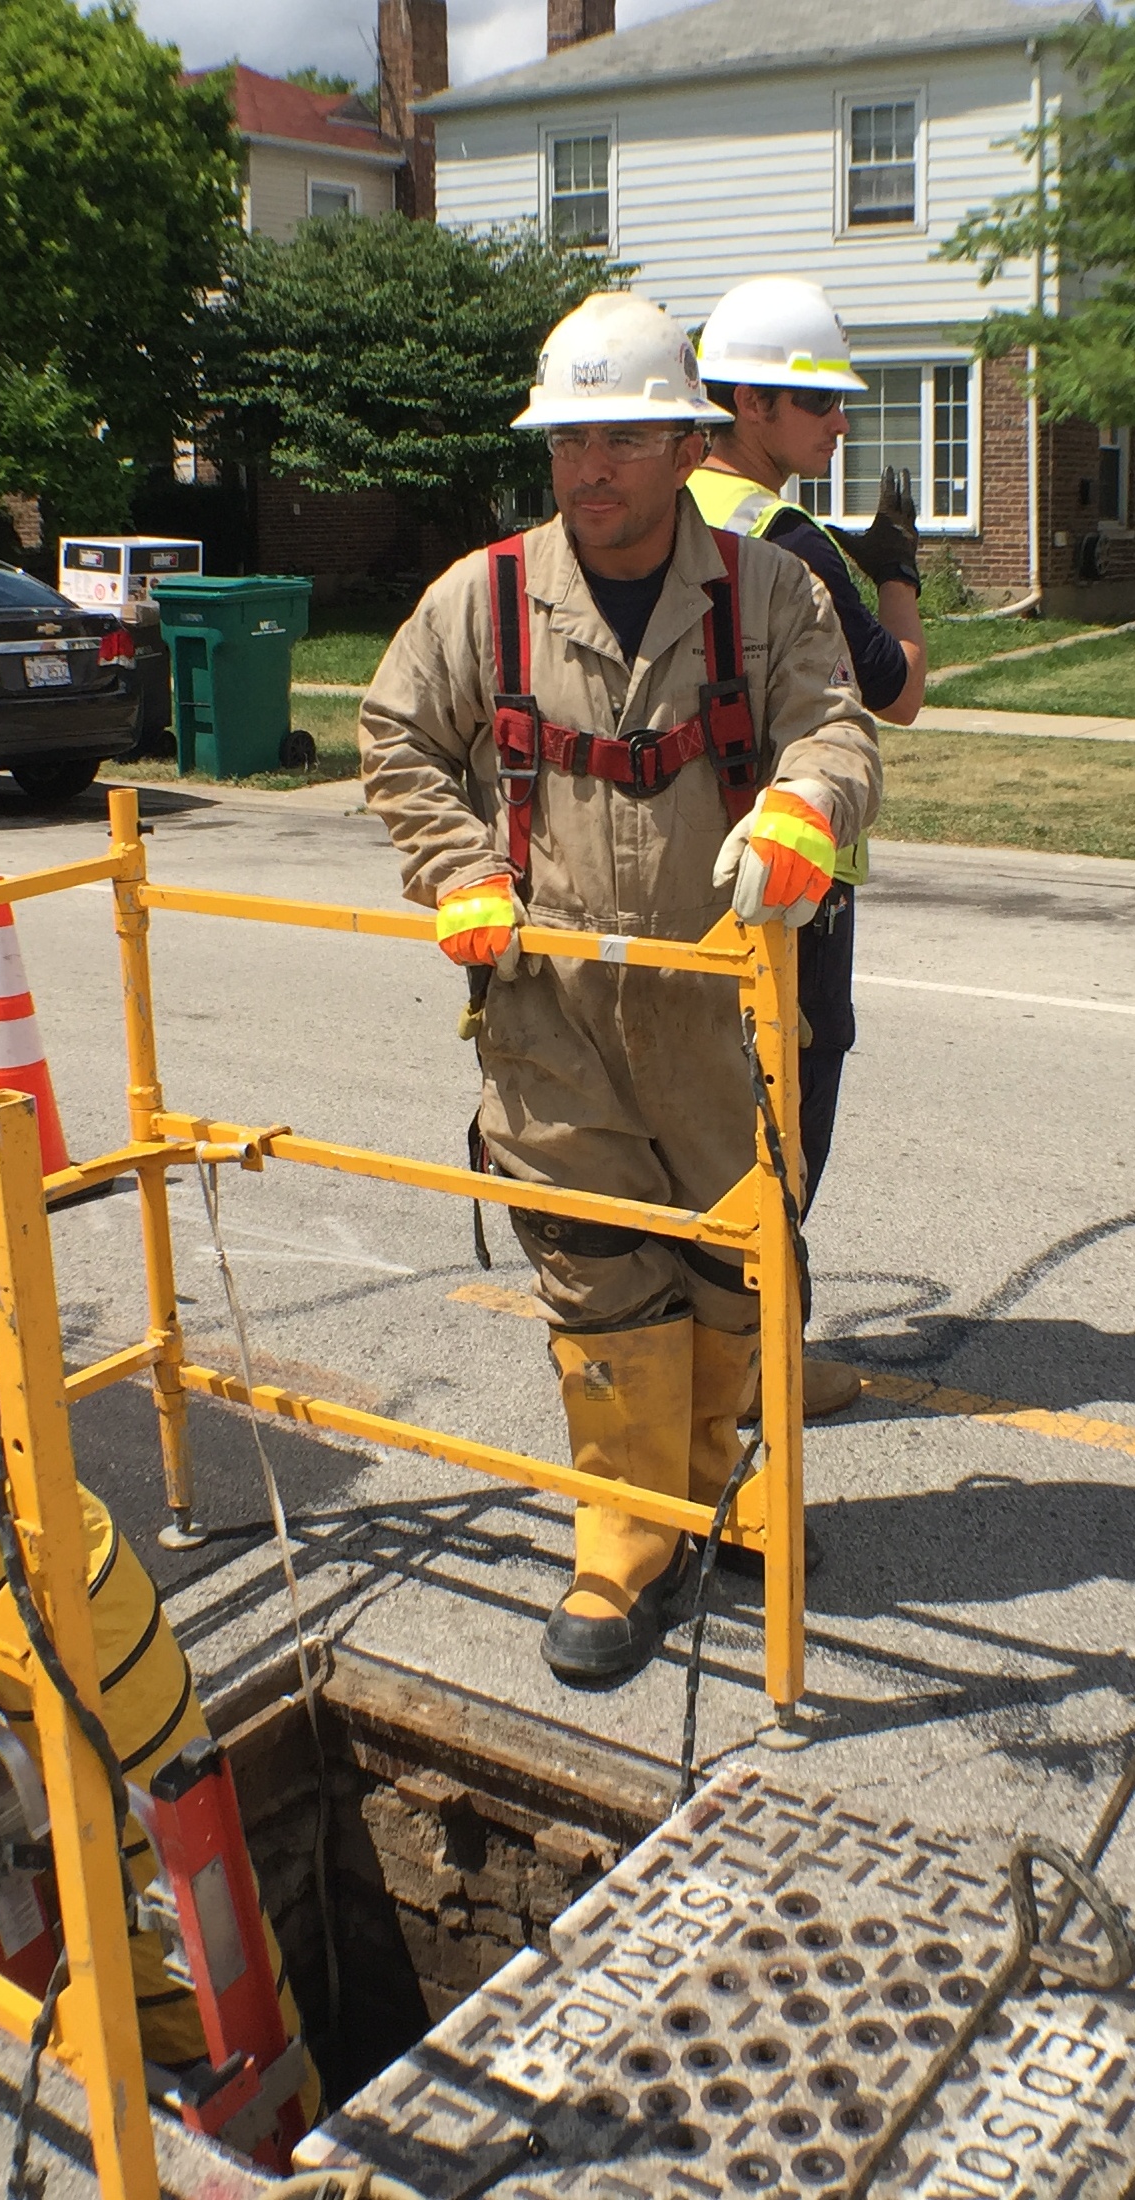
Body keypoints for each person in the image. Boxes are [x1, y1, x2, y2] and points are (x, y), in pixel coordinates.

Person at [358, 293, 882, 1688]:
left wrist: (801, 813)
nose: (588, 468)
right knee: (597, 1279)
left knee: (731, 1264)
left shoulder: (767, 592)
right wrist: (459, 869)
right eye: (566, 439)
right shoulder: (480, 597)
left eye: (619, 439)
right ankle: (625, 1539)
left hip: (722, 1004)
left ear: (682, 441)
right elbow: (393, 738)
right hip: (552, 1019)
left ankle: (729, 1489)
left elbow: (835, 730)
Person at [692, 275, 927, 1418]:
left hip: (687, 857)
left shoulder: (660, 508)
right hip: (791, 874)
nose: (840, 421)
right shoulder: (791, 540)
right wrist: (898, 572)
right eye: (816, 402)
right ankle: (756, 1365)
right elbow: (899, 691)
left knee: (696, 1113)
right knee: (782, 1116)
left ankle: (704, 1348)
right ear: (746, 404)